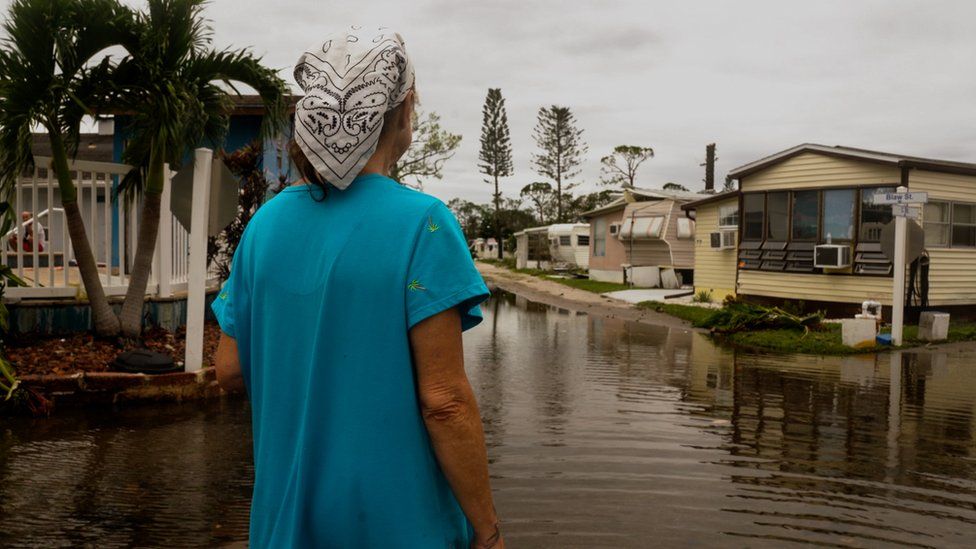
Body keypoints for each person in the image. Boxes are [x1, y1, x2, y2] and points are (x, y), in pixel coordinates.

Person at [212, 26, 503, 549]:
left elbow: (229, 370)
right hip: (398, 527)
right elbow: (445, 402)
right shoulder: (426, 224)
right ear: (402, 112)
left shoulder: (263, 226)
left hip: (285, 525)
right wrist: (488, 529)